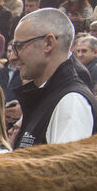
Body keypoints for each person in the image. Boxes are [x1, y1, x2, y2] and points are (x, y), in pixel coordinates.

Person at [8, 8, 96, 149]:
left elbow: (66, 163)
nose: (13, 56)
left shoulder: (71, 101)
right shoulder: (48, 95)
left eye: (19, 46)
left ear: (48, 43)